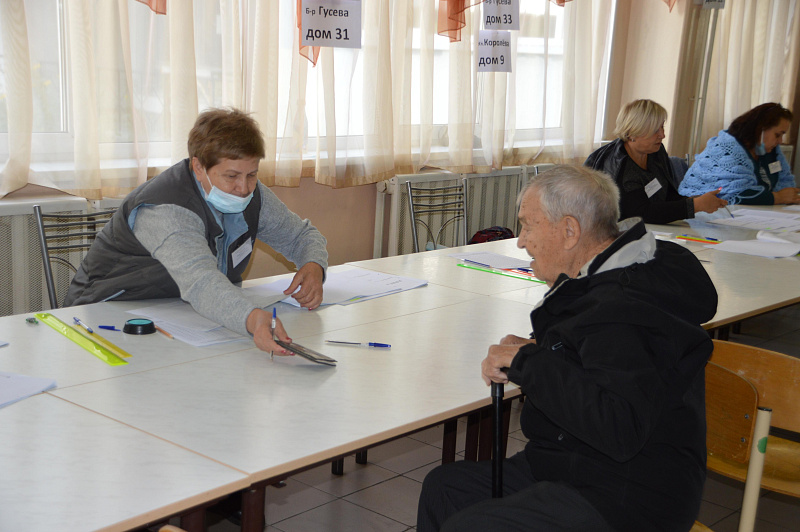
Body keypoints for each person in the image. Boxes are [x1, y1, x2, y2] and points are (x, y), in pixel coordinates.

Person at [417, 165, 717, 532]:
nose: (521, 241)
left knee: (471, 526)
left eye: (528, 226)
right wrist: (545, 348)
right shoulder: (615, 271)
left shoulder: (623, 306)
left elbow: (618, 427)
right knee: (445, 489)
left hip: (627, 493)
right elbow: (601, 359)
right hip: (576, 462)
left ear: (570, 231)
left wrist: (531, 362)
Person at [64, 108, 328, 354]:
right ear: (199, 167)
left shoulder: (251, 195)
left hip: (182, 317)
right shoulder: (166, 209)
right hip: (105, 319)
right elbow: (201, 282)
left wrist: (313, 264)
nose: (244, 188)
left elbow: (301, 236)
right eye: (232, 176)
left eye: (252, 174)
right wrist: (252, 318)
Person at [586, 99, 727, 224]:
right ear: (632, 132)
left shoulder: (656, 152)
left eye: (662, 127)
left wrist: (698, 200)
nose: (662, 135)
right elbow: (641, 213)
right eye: (655, 130)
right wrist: (695, 205)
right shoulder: (620, 165)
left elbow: (668, 196)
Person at [679, 103, 800, 205]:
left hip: (753, 213)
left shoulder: (771, 151)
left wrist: (787, 196)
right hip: (705, 211)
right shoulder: (727, 149)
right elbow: (736, 194)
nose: (780, 141)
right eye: (777, 135)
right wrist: (777, 197)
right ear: (760, 129)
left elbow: (786, 184)